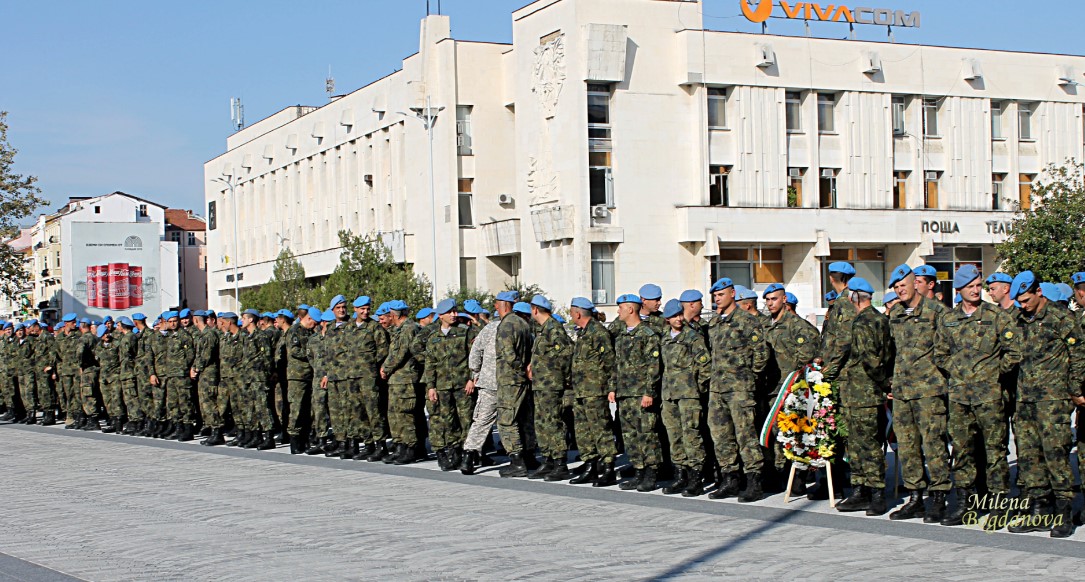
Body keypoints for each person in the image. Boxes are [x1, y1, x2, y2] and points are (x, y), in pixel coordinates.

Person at [935, 265, 1021, 526]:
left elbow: (1014, 352)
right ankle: (965, 503)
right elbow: (940, 353)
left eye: (978, 285)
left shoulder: (996, 316)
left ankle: (997, 506)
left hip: (989, 397)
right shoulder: (948, 319)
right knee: (962, 451)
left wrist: (992, 372)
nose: (975, 290)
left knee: (995, 452)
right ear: (959, 290)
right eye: (970, 286)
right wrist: (958, 371)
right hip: (960, 397)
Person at [1006, 271, 1083, 538]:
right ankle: (1039, 510)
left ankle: (1063, 511)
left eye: (1026, 299)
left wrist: (1075, 389)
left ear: (1039, 292)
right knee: (1028, 456)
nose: (1022, 305)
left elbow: (1079, 355)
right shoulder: (1017, 320)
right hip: (1025, 398)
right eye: (1018, 301)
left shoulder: (1062, 319)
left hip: (1053, 399)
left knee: (1055, 455)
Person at [886, 264, 952, 523]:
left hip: (929, 390)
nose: (900, 290)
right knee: (907, 446)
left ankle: (938, 496)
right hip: (903, 391)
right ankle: (915, 496)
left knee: (933, 444)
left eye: (904, 285)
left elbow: (947, 350)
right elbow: (894, 352)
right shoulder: (896, 315)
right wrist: (892, 382)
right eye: (896, 287)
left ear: (916, 284)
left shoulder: (938, 312)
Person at [832, 277, 894, 515]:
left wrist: (880, 381)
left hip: (863, 392)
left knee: (864, 445)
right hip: (861, 392)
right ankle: (861, 490)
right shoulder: (880, 319)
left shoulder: (863, 322)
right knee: (861, 444)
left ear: (855, 297)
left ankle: (874, 492)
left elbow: (871, 359)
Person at [706, 278, 770, 502]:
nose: (717, 299)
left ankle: (754, 481)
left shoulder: (746, 321)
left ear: (732, 294)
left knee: (745, 435)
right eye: (715, 296)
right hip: (717, 389)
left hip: (740, 389)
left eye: (721, 295)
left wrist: (749, 377)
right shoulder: (715, 323)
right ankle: (730, 479)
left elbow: (761, 354)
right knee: (721, 436)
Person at [762, 283, 821, 493]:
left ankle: (797, 478)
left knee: (794, 435)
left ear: (784, 299)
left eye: (774, 299)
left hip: (791, 390)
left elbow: (806, 359)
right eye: (767, 300)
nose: (770, 303)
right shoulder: (767, 326)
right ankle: (779, 475)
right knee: (775, 436)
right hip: (771, 389)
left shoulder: (798, 327)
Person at [609, 294, 663, 492]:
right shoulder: (622, 336)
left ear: (630, 309)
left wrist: (649, 392)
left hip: (641, 395)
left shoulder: (647, 335)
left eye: (621, 308)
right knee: (630, 435)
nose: (618, 312)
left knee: (647, 434)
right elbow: (617, 364)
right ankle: (638, 471)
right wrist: (613, 387)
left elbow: (654, 366)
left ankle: (651, 472)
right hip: (625, 394)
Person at [659, 298, 710, 496]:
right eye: (674, 316)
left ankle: (696, 478)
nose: (679, 319)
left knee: (692, 435)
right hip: (669, 395)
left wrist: (698, 388)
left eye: (680, 315)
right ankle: (680, 476)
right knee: (674, 436)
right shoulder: (665, 338)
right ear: (667, 319)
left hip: (689, 395)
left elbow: (705, 365)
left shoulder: (692, 337)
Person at [567, 297, 618, 487]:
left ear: (578, 313)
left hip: (595, 391)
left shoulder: (598, 333)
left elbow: (610, 362)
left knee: (600, 429)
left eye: (572, 313)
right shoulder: (583, 333)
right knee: (583, 431)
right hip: (581, 390)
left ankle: (608, 467)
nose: (571, 316)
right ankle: (591, 464)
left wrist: (611, 387)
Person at [421, 299, 473, 471]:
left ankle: (468, 454)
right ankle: (453, 453)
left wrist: (472, 378)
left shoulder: (464, 332)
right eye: (450, 312)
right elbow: (430, 363)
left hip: (462, 384)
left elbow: (473, 357)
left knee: (466, 420)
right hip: (442, 386)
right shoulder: (433, 337)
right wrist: (431, 386)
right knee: (447, 421)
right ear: (440, 315)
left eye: (455, 311)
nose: (454, 315)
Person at [526, 295, 573, 480]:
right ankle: (548, 459)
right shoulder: (543, 330)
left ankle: (560, 462)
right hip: (541, 385)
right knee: (542, 423)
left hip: (552, 385)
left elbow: (565, 356)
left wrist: (561, 379)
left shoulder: (554, 329)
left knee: (553, 423)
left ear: (535, 310)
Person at [493, 291, 535, 477]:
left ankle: (517, 461)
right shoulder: (523, 323)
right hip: (523, 380)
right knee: (524, 419)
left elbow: (509, 355)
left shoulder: (507, 325)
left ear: (501, 304)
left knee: (506, 421)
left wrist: (518, 370)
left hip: (510, 380)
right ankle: (529, 456)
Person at [460, 306, 502, 475]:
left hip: (488, 382)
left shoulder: (488, 329)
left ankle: (469, 456)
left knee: (481, 421)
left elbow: (475, 353)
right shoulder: (519, 328)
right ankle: (520, 456)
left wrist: (476, 372)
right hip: (510, 385)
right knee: (513, 422)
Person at [380, 301, 423, 464]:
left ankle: (411, 448)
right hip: (397, 379)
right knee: (395, 414)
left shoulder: (408, 329)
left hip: (405, 379)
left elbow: (400, 353)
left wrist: (385, 367)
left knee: (405, 414)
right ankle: (401, 446)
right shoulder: (401, 329)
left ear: (394, 315)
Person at [283, 307, 318, 453]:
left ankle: (305, 437)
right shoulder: (294, 331)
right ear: (308, 318)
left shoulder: (310, 332)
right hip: (297, 376)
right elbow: (294, 350)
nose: (315, 326)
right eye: (314, 323)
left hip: (309, 375)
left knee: (307, 409)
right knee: (296, 408)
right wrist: (311, 355)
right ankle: (295, 439)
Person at [240, 309, 276, 450]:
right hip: (249, 378)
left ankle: (268, 437)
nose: (242, 321)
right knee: (251, 408)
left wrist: (264, 375)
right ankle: (256, 435)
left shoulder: (261, 336)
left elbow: (267, 358)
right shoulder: (247, 336)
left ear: (250, 320)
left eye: (244, 318)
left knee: (262, 407)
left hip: (259, 378)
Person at [191, 311, 224, 446]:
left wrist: (196, 368)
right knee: (205, 404)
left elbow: (206, 355)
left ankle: (217, 432)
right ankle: (212, 431)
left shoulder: (209, 335)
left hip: (209, 374)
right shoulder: (203, 335)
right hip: (204, 374)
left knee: (210, 403)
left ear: (196, 320)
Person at [92, 325, 123, 433]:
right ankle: (112, 421)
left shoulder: (116, 344)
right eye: (103, 334)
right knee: (107, 400)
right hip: (104, 377)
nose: (106, 335)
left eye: (107, 333)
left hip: (115, 376)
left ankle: (119, 422)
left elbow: (122, 359)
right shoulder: (98, 347)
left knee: (116, 399)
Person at [115, 317, 141, 434]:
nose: (117, 327)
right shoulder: (125, 337)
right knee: (128, 398)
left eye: (118, 325)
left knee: (132, 398)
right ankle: (132, 420)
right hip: (125, 372)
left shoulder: (129, 337)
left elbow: (132, 354)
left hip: (129, 372)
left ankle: (136, 421)